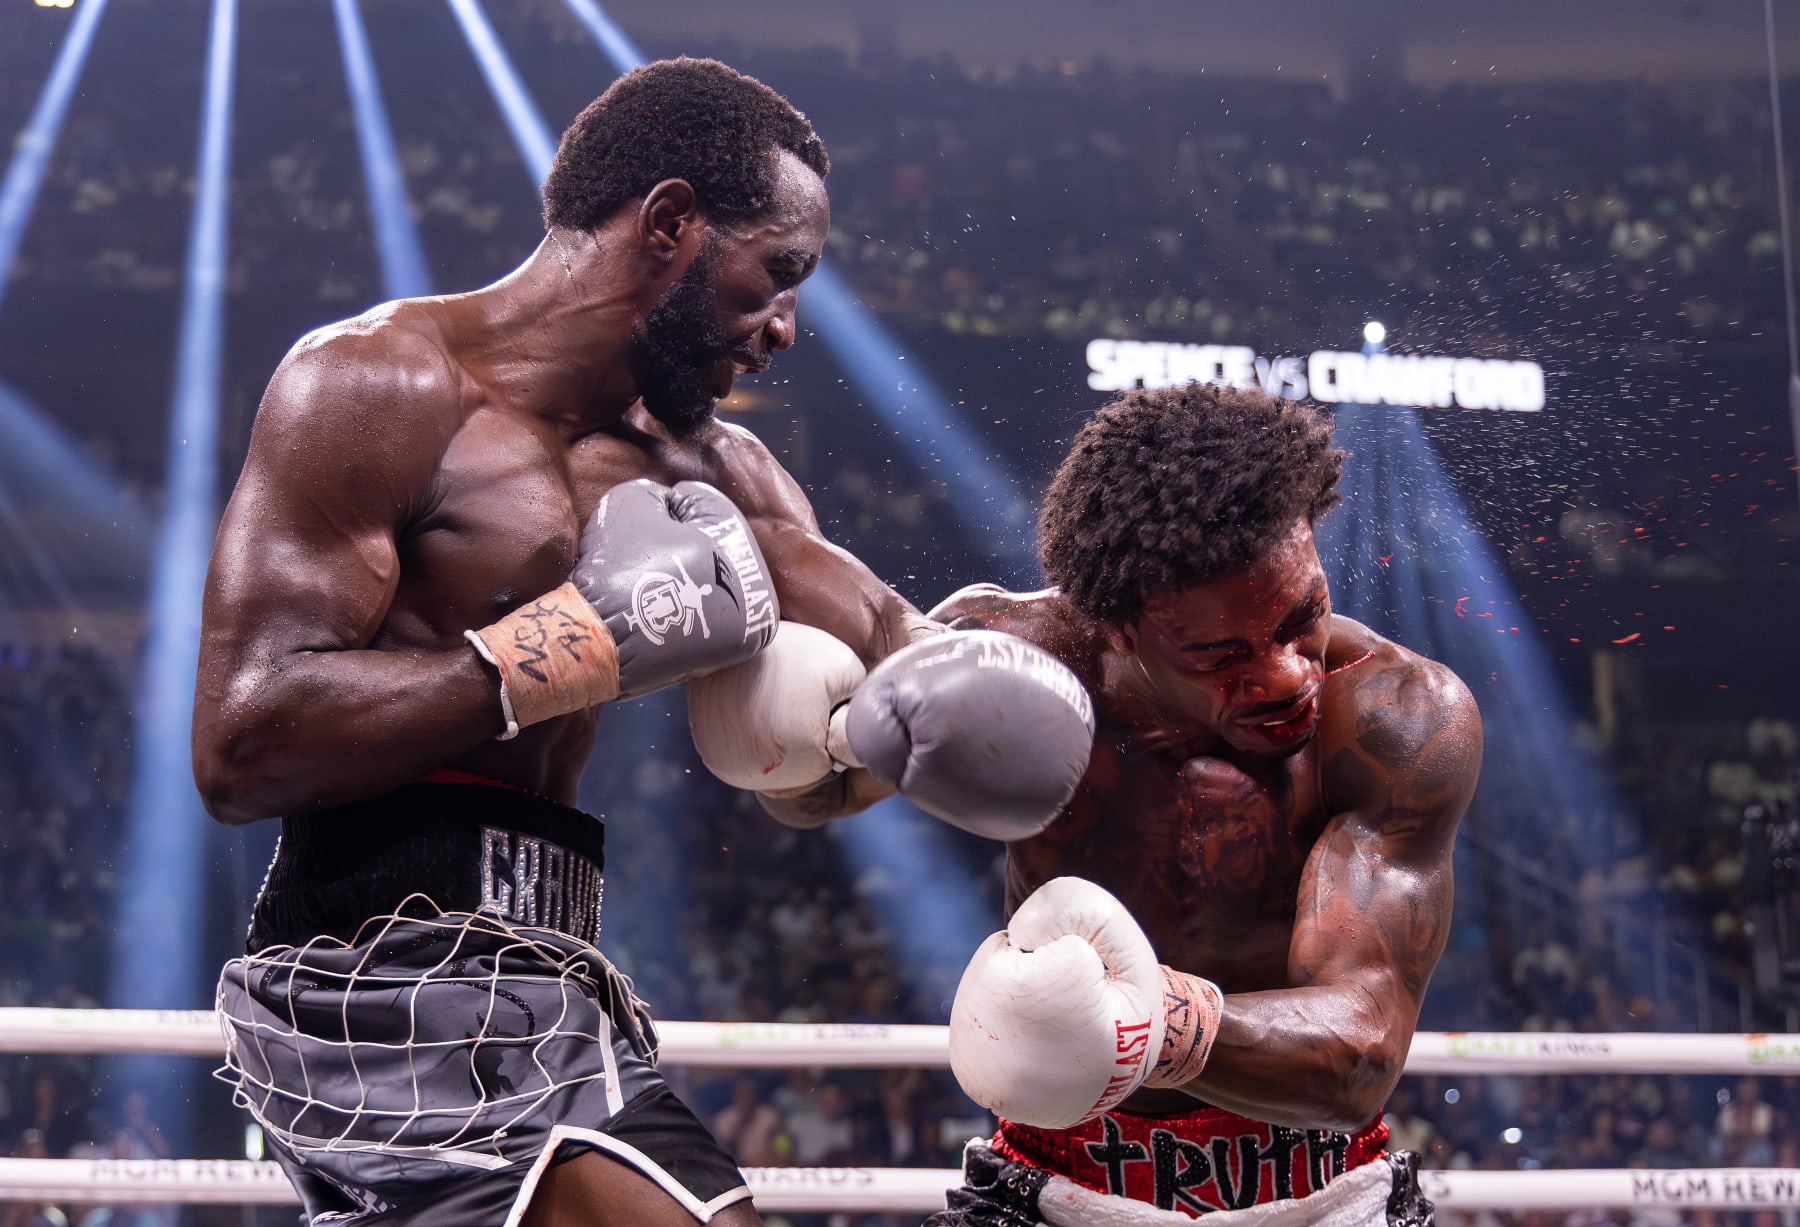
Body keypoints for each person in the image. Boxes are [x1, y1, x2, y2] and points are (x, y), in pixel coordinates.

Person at [192, 58, 1092, 1227]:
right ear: (669, 224)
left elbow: (873, 657)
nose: (786, 325)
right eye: (779, 271)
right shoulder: (376, 386)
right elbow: (244, 744)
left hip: (547, 972)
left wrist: (884, 739)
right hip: (364, 974)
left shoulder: (723, 473)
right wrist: (563, 646)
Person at [703, 383, 1479, 1222]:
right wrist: (795, 752)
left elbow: (1361, 1053)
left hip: (1325, 1194)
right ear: (1117, 627)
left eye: (1304, 617)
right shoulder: (1016, 665)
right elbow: (817, 800)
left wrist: (1145, 1024)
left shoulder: (1394, 717)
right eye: (1221, 654)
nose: (1288, 673)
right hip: (1056, 1187)